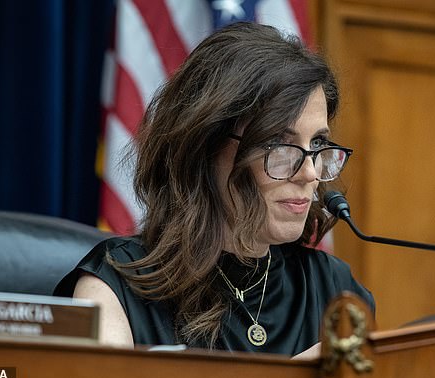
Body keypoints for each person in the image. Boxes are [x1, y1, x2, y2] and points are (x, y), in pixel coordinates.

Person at [55, 21, 374, 358]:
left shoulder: (334, 290)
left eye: (318, 142)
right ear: (206, 148)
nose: (310, 172)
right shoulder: (116, 285)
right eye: (279, 144)